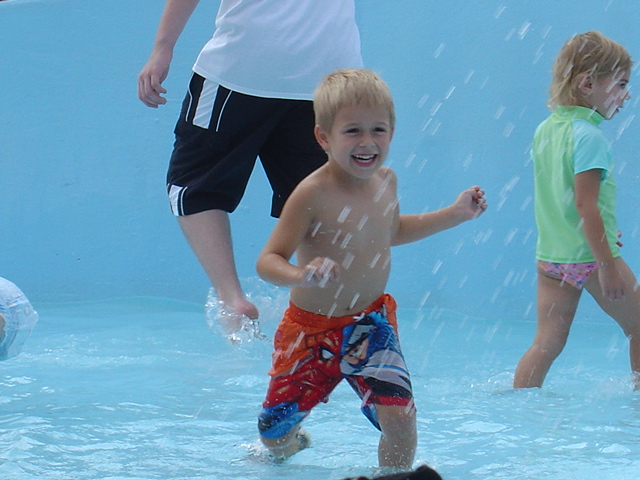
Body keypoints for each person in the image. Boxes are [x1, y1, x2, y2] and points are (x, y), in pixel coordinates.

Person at [255, 69, 487, 468]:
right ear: (323, 137)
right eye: (353, 131)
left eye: (378, 130)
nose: (367, 142)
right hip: (310, 332)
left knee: (401, 420)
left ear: (392, 132)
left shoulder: (386, 182)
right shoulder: (311, 194)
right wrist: (301, 274)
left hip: (370, 324)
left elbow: (392, 231)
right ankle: (291, 444)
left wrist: (455, 214)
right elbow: (268, 260)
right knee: (274, 435)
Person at [137, 0, 363, 333]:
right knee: (323, 201)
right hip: (330, 74)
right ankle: (320, 308)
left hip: (243, 67)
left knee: (192, 185)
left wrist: (163, 48)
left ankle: (232, 299)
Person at [513, 31, 640, 389]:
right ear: (587, 84)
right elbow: (587, 205)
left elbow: (561, 198)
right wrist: (607, 264)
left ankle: (518, 401)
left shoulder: (546, 130)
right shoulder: (590, 136)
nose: (627, 95)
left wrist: (599, 231)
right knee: (639, 326)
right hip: (590, 258)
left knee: (546, 344)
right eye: (620, 84)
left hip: (552, 257)